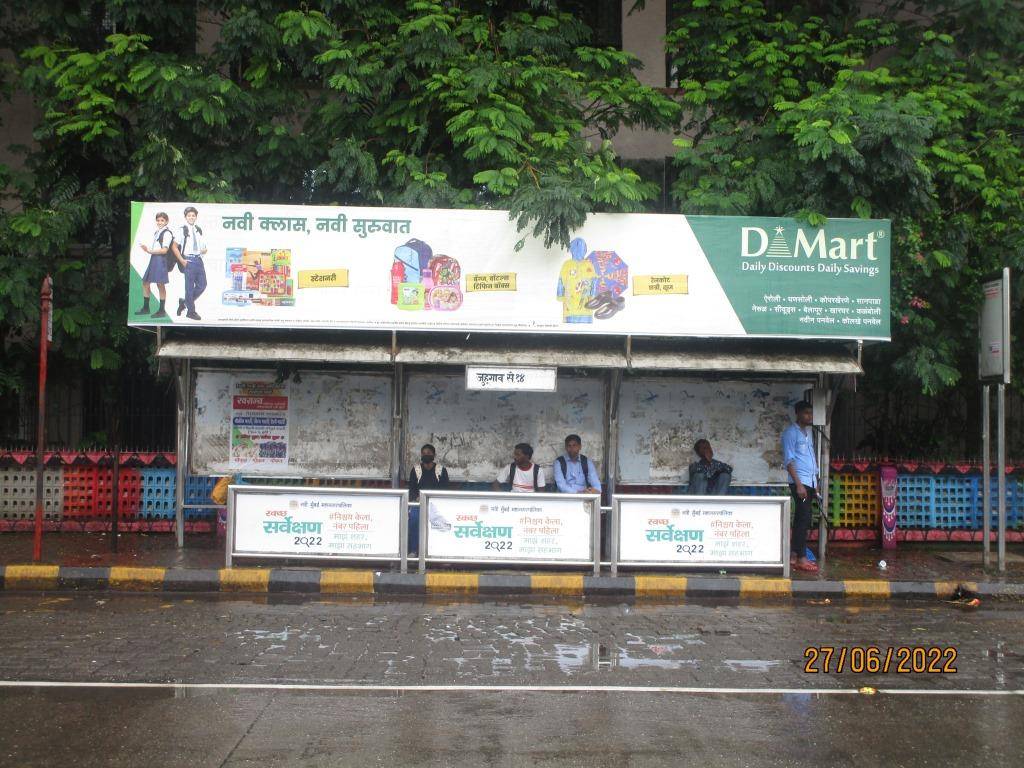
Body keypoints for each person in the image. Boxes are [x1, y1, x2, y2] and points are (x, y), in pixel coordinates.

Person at [782, 400, 819, 572]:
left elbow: (810, 458)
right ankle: (802, 558)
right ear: (797, 414)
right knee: (803, 520)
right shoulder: (791, 433)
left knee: (802, 520)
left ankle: (794, 556)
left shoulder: (808, 433)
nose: (809, 416)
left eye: (810, 413)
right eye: (806, 413)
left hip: (809, 481)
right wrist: (798, 485)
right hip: (800, 482)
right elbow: (789, 460)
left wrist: (815, 484)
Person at [136, 212, 175, 318]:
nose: (160, 222)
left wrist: (149, 251)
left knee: (160, 284)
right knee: (145, 282)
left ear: (166, 221)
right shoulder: (157, 232)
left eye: (162, 220)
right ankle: (146, 308)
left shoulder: (167, 233)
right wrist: (149, 250)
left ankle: (161, 310)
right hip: (154, 259)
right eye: (158, 220)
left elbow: (164, 250)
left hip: (161, 260)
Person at [176, 205, 208, 321]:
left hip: (199, 260)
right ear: (185, 217)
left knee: (202, 285)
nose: (191, 217)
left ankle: (184, 302)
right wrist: (182, 260)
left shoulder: (198, 229)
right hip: (188, 260)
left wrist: (204, 250)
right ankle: (191, 312)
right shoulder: (182, 230)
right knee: (189, 288)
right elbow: (174, 247)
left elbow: (203, 247)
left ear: (196, 217)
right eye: (189, 215)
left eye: (193, 215)